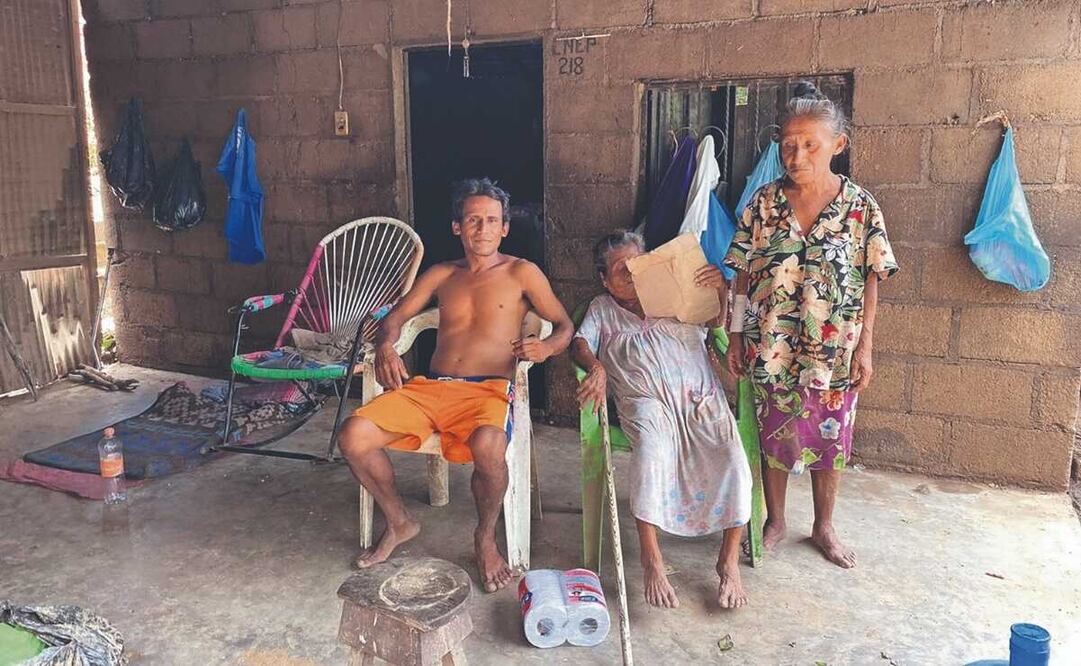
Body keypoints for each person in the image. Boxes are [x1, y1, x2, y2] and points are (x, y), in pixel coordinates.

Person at [338, 178, 573, 592]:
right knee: (353, 435)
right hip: (431, 388)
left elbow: (564, 325)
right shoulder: (442, 273)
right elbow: (395, 317)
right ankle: (399, 520)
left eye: (492, 220)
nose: (483, 228)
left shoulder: (522, 272)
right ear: (457, 227)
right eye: (473, 220)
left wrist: (546, 348)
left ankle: (485, 537)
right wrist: (387, 346)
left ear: (505, 228)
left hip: (488, 390)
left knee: (489, 445)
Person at [724, 82, 899, 569]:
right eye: (788, 145)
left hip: (834, 351)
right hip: (771, 344)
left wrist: (866, 347)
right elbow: (741, 277)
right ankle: (776, 520)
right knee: (775, 431)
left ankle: (824, 525)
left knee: (831, 435)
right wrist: (735, 335)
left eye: (810, 145)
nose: (796, 156)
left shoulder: (860, 207)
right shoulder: (763, 204)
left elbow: (872, 280)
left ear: (837, 145)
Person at [571, 231, 752, 610]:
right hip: (646, 403)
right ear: (605, 280)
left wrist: (720, 289)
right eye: (621, 270)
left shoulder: (673, 290)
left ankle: (729, 561)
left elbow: (715, 322)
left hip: (699, 397)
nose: (632, 274)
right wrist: (596, 366)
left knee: (733, 457)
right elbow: (580, 343)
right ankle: (652, 560)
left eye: (638, 265)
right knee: (652, 453)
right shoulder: (602, 308)